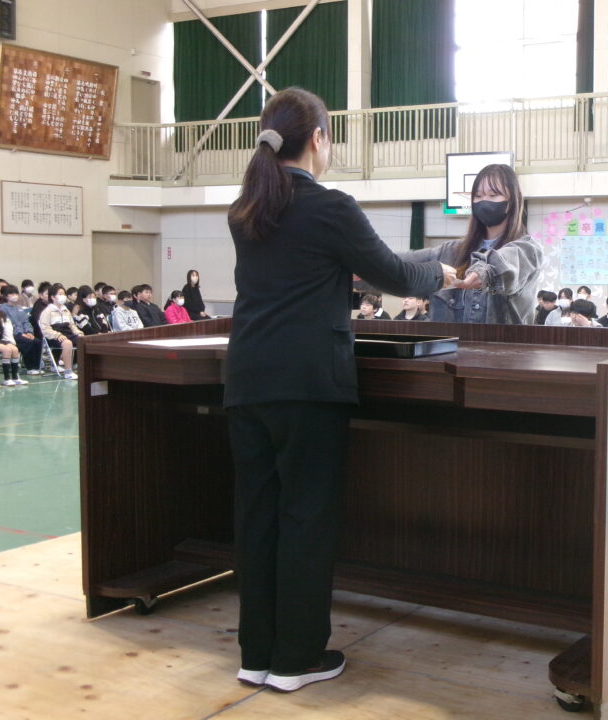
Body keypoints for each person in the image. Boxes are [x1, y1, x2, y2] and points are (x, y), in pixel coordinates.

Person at [224, 87, 455, 694]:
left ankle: (257, 653)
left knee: (259, 517)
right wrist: (442, 273)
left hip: (247, 377)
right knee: (307, 517)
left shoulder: (247, 207)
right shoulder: (329, 205)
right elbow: (397, 275)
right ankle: (297, 659)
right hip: (306, 382)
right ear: (319, 138)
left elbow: (303, 270)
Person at [398, 163, 544, 324]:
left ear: (512, 201)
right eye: (478, 196)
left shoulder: (528, 249)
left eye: (493, 195)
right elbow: (401, 263)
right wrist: (378, 263)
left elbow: (505, 263)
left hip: (503, 340)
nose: (484, 201)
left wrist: (483, 272)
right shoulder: (450, 251)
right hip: (450, 340)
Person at [38, 283, 82, 380]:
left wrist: (78, 333)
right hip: (54, 337)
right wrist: (57, 335)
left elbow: (72, 325)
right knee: (67, 343)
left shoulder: (66, 310)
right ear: (53, 297)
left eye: (64, 294)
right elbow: (45, 329)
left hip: (68, 334)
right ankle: (68, 372)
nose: (63, 296)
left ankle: (81, 367)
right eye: (60, 294)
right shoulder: (47, 311)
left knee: (83, 340)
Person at [1, 284, 43, 374]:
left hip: (24, 333)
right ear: (6, 296)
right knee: (28, 342)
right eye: (11, 294)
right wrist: (20, 333)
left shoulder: (19, 308)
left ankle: (37, 367)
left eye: (16, 293)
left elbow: (26, 322)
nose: (15, 296)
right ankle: (30, 367)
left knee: (37, 341)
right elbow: (8, 325)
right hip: (12, 334)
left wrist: (29, 332)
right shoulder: (2, 309)